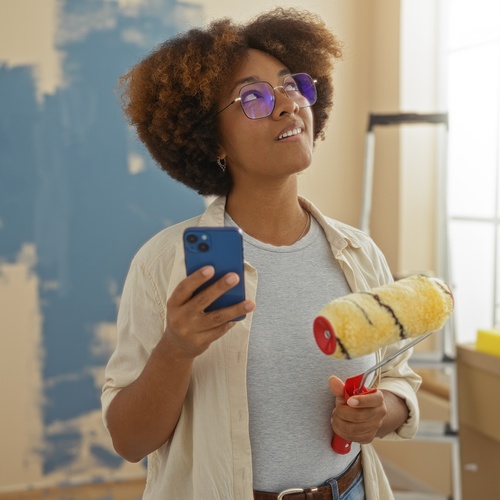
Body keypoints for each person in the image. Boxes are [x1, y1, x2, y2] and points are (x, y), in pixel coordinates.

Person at [102, 7, 421, 500]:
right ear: (212, 141)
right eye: (253, 97)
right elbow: (129, 440)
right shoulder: (163, 264)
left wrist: (383, 412)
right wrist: (176, 349)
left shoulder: (358, 254)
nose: (287, 105)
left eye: (292, 84)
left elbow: (398, 377)